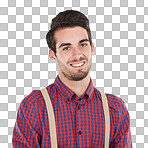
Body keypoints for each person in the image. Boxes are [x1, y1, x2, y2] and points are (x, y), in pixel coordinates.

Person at [12, 10, 132, 147]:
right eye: (66, 48)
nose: (77, 54)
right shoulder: (34, 106)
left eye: (83, 44)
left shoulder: (115, 108)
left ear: (92, 48)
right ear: (53, 55)